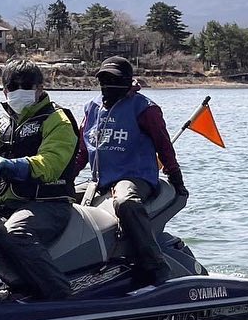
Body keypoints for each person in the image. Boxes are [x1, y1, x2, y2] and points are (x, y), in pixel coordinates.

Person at [0, 59, 81, 300]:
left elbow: (51, 164)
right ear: (4, 90)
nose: (20, 89)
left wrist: (14, 165)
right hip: (8, 203)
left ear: (40, 87)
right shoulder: (2, 124)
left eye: (27, 85)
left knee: (15, 233)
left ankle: (60, 297)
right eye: (13, 85)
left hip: (48, 204)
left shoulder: (57, 120)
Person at [79, 56, 188, 286]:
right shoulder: (92, 109)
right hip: (99, 181)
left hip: (134, 178)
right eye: (104, 79)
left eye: (114, 79)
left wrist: (175, 175)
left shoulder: (145, 109)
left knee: (126, 200)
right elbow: (79, 151)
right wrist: (60, 181)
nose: (108, 84)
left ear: (128, 81)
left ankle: (154, 263)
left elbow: (163, 144)